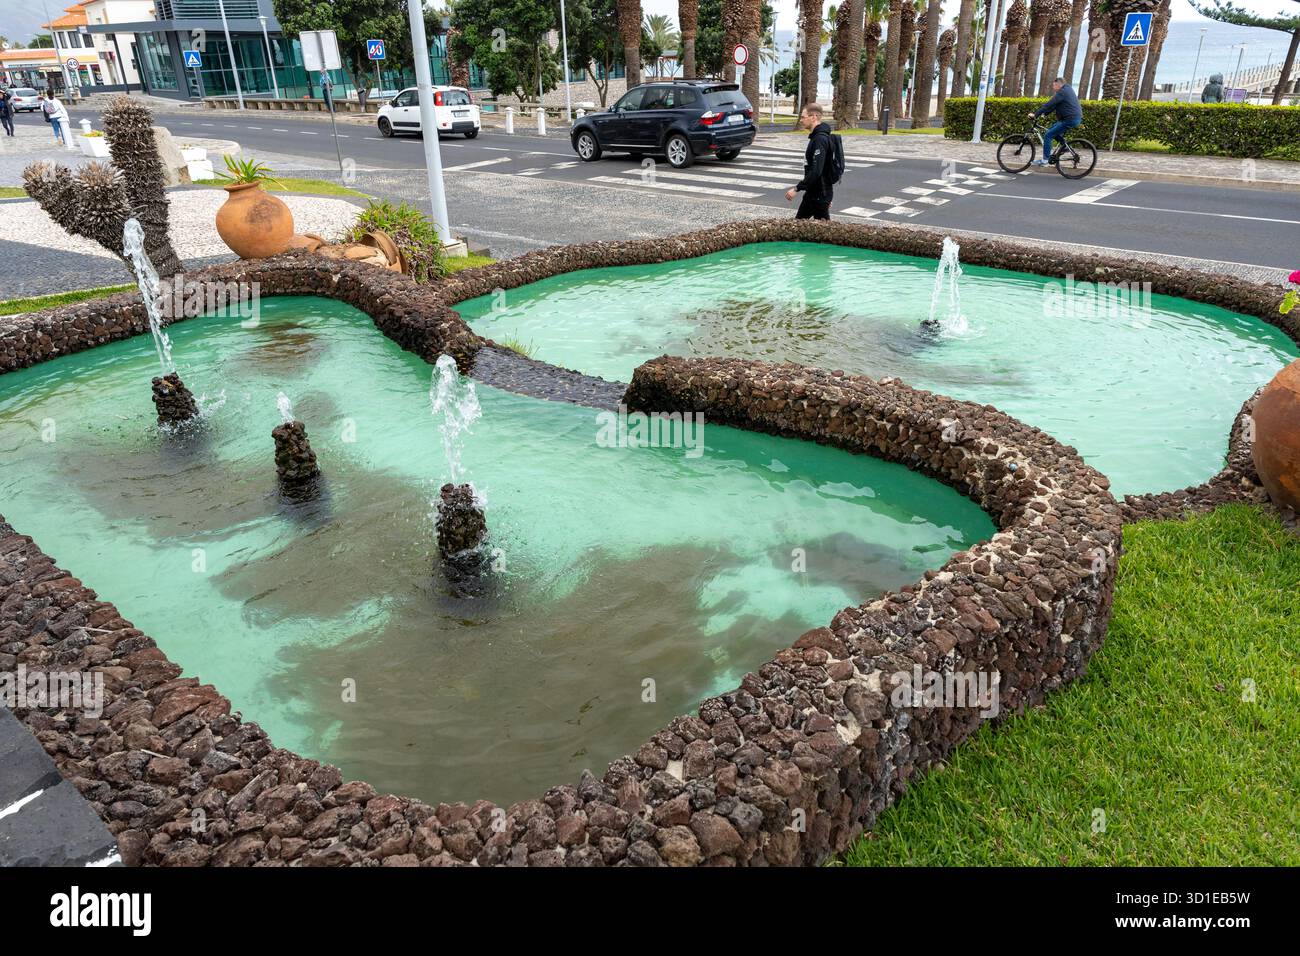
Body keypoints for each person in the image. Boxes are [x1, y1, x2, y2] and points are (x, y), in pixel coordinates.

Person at [784, 103, 835, 221]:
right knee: (798, 226)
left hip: (819, 194)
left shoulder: (820, 139)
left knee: (824, 233)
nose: (801, 120)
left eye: (803, 117)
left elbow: (817, 170)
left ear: (814, 117)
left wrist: (797, 188)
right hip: (813, 193)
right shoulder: (816, 137)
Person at [1027, 77, 1082, 167]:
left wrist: (1035, 115)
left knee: (1048, 135)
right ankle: (1065, 147)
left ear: (1058, 84)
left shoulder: (1062, 92)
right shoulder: (1067, 89)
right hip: (1072, 118)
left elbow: (1049, 104)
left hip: (1069, 120)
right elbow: (1055, 105)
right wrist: (1045, 114)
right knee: (1053, 130)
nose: (1053, 87)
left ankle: (1045, 161)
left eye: (1054, 85)